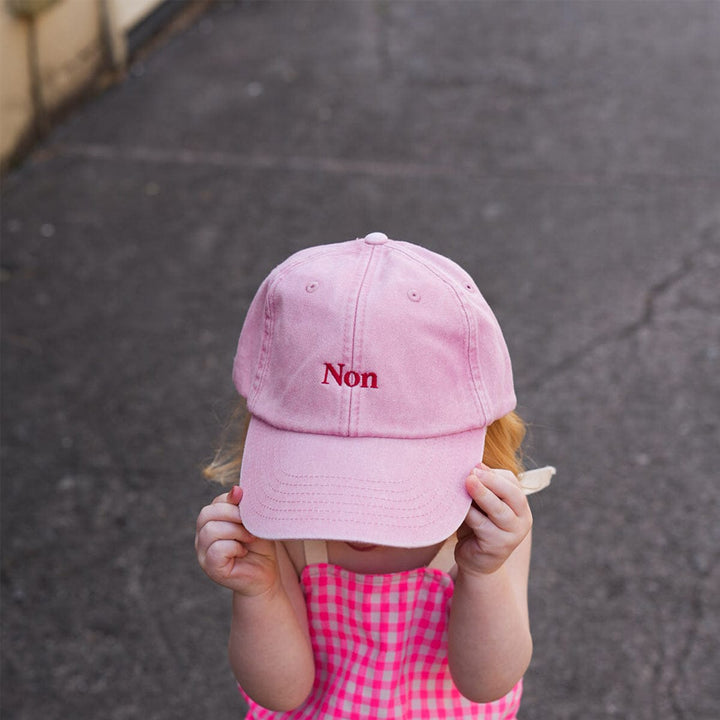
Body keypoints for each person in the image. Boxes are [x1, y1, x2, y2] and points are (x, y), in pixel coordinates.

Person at [195, 233, 554, 719]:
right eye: (326, 476)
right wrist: (259, 591)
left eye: (390, 477)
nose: (354, 519)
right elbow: (281, 694)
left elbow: (487, 683)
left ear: (481, 438)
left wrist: (482, 574)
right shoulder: (275, 528)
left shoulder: (486, 528)